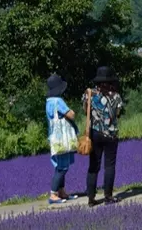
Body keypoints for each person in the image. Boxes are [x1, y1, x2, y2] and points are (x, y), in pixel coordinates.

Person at [83, 66, 124, 207]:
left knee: (94, 165)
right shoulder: (116, 96)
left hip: (94, 133)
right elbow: (118, 113)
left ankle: (91, 198)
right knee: (109, 165)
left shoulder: (89, 93)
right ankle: (108, 196)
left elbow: (85, 110)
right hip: (111, 134)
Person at [45, 74, 78, 204]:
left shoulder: (48, 102)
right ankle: (53, 194)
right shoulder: (58, 101)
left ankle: (61, 191)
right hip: (63, 138)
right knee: (62, 167)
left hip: (55, 138)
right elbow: (71, 114)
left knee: (60, 165)